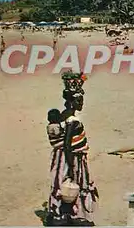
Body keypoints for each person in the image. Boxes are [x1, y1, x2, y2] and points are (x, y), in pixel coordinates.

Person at [47, 72, 98, 226]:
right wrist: (71, 166)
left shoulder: (63, 115)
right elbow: (68, 145)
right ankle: (73, 215)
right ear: (72, 101)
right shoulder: (72, 120)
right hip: (72, 157)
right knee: (74, 183)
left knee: (62, 184)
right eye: (79, 100)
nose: (81, 103)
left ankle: (62, 214)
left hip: (61, 157)